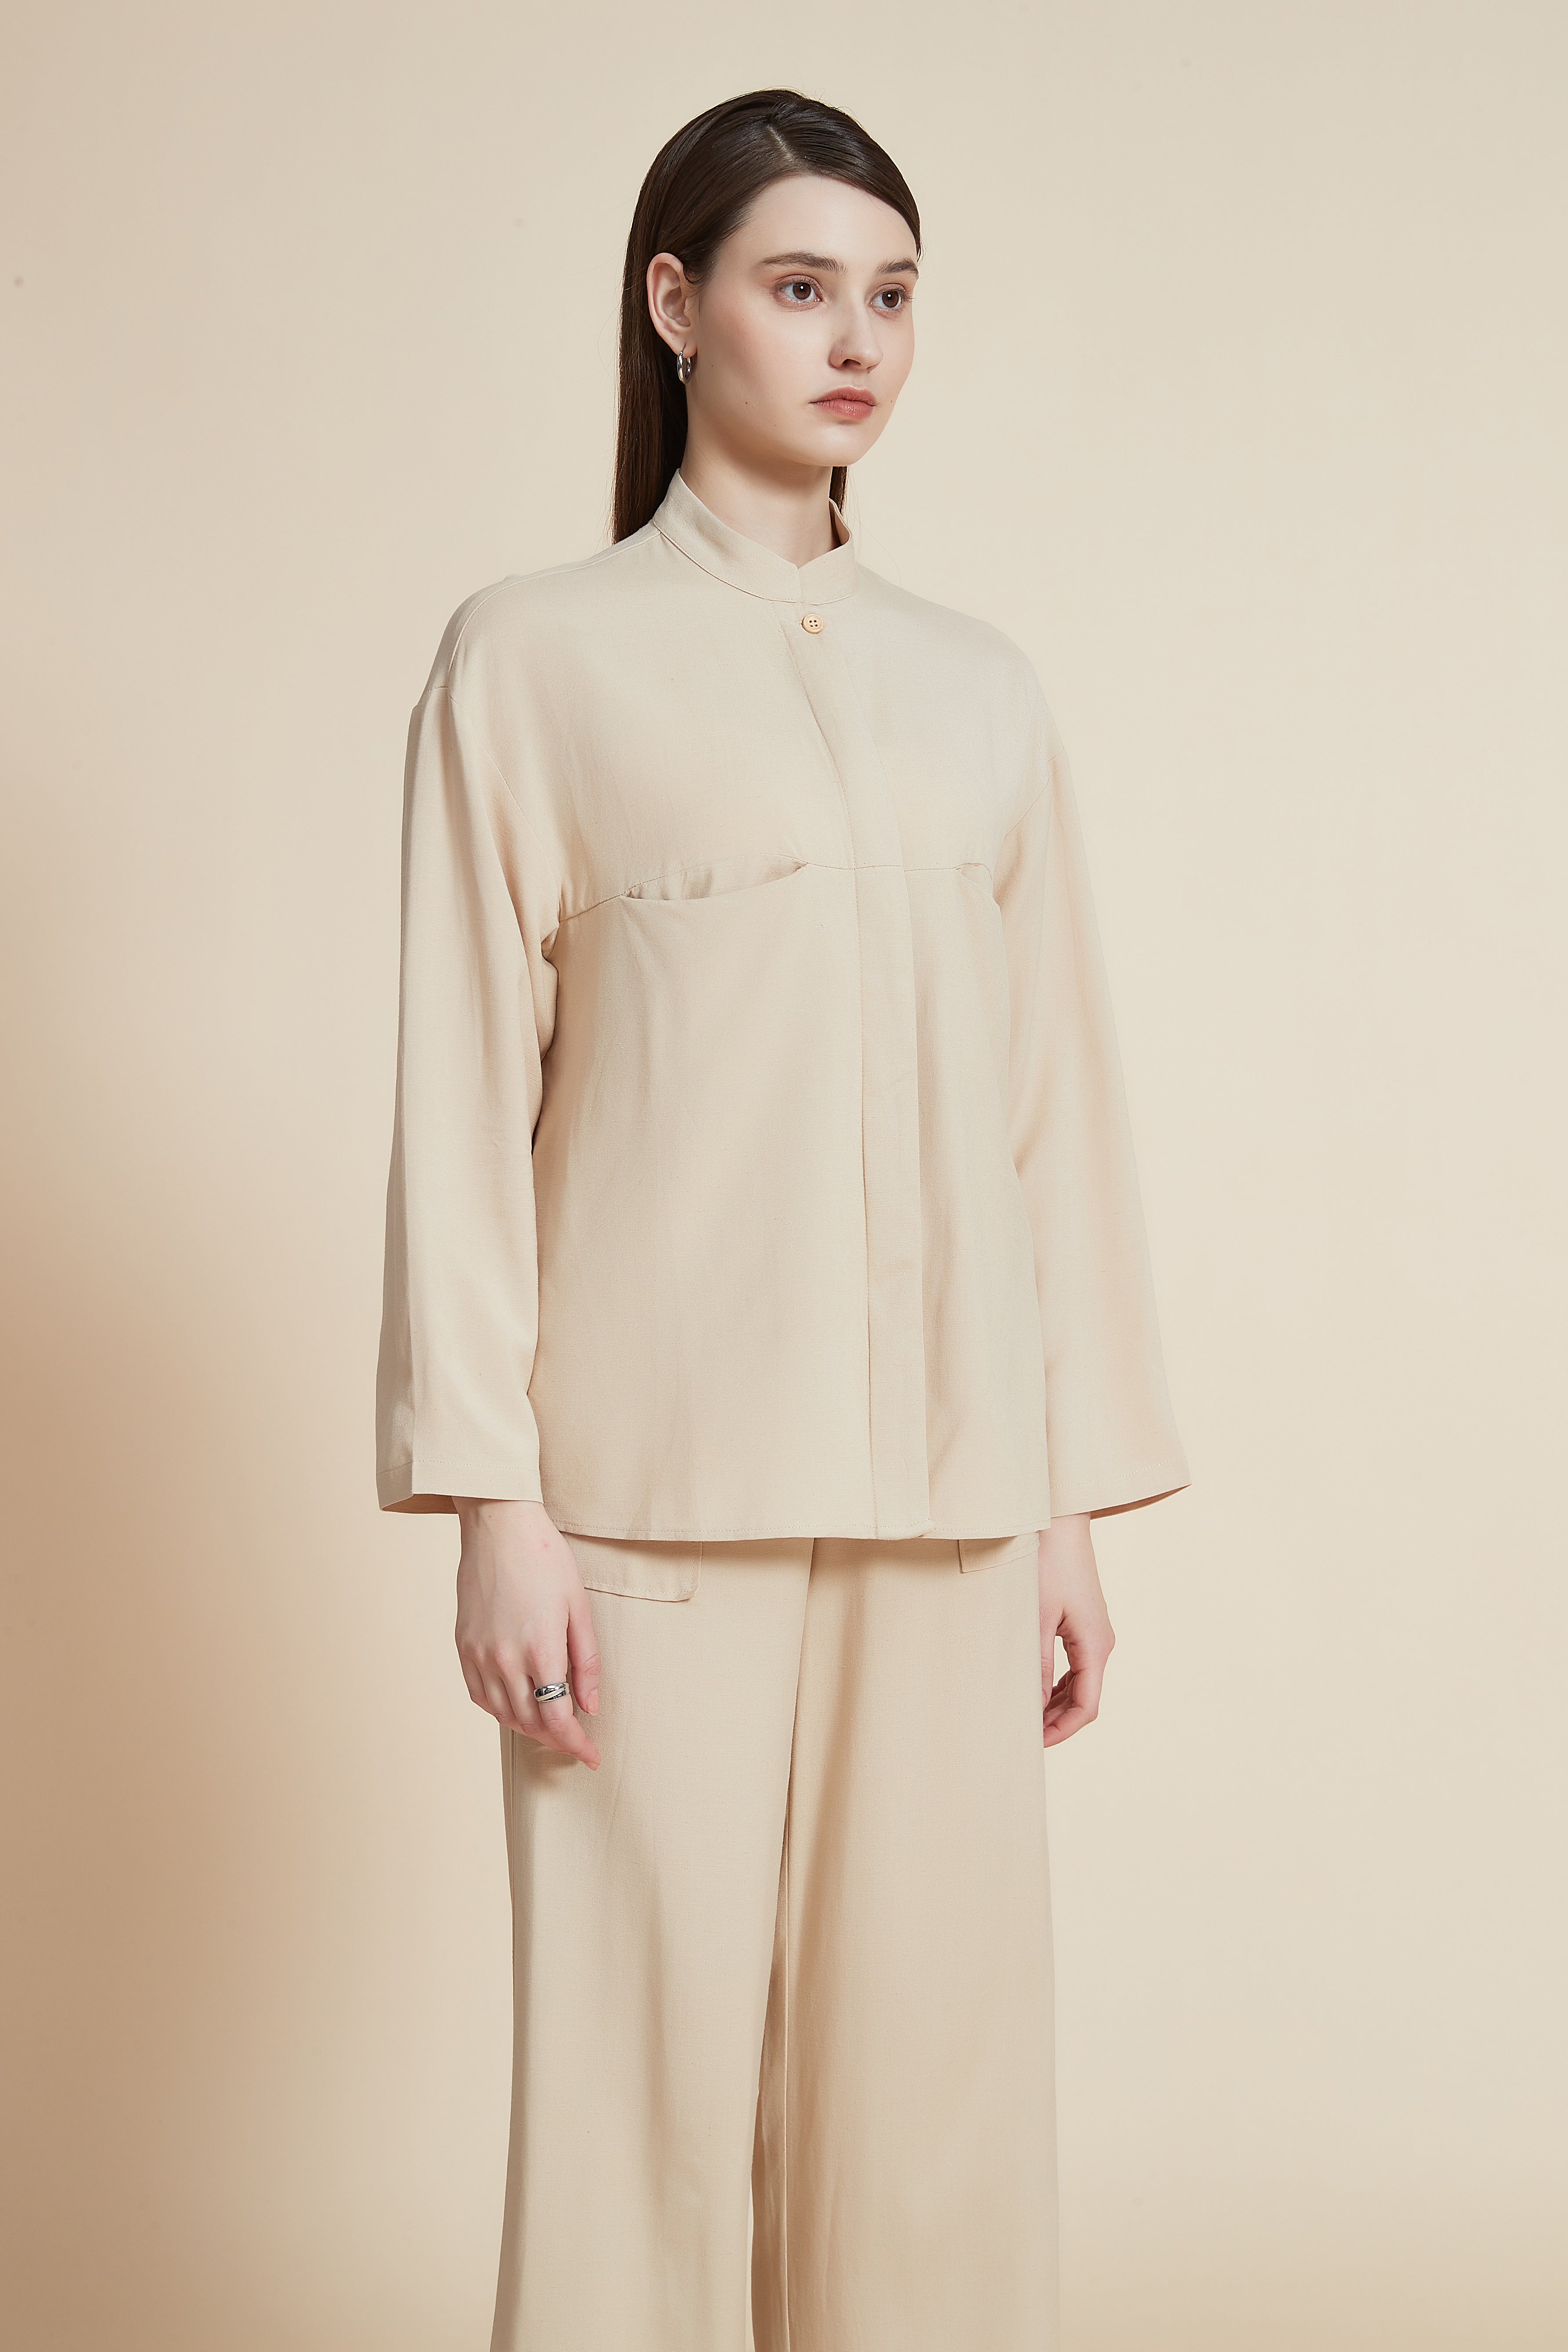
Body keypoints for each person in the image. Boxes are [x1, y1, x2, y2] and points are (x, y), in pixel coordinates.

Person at [376, 86, 1189, 2352]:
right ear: (675, 305)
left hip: (950, 1512)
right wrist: (494, 1503)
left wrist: (1062, 1505)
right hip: (647, 1516)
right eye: (801, 286)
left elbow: (1050, 1115)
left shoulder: (981, 689)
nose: (857, 342)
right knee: (627, 2119)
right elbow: (465, 1100)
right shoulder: (531, 658)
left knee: (937, 2130)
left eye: (893, 296)